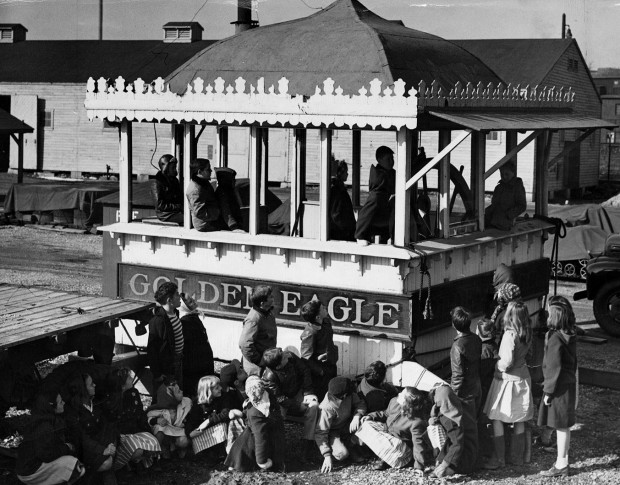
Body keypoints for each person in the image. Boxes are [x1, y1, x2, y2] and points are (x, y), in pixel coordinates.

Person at [483, 301, 534, 469]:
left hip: (507, 380)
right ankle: (517, 458)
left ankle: (498, 459)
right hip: (523, 378)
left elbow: (506, 361)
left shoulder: (509, 334)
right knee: (519, 418)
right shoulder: (526, 332)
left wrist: (497, 368)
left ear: (510, 315)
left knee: (497, 417)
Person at [538, 297, 578, 477]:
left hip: (558, 388)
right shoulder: (570, 334)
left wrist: (547, 391)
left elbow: (553, 368)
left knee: (561, 427)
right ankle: (563, 461)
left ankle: (561, 464)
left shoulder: (555, 338)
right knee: (565, 426)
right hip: (568, 385)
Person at [15, 392, 85, 485]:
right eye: (60, 402)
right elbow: (47, 455)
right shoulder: (44, 426)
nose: (63, 403)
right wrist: (67, 447)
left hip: (28, 467)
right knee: (73, 465)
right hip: (29, 472)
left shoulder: (43, 419)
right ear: (51, 406)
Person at [261, 347, 319, 458]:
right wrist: (298, 405)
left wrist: (308, 392)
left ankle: (307, 444)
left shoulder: (290, 356)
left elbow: (305, 370)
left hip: (298, 392)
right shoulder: (269, 377)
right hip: (280, 400)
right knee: (278, 418)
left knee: (314, 406)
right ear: (278, 366)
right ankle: (278, 450)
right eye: (283, 357)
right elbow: (278, 398)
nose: (286, 355)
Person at [357, 387, 430, 472]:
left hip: (399, 444)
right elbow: (385, 413)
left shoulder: (416, 421)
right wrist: (371, 416)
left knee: (393, 444)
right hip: (386, 432)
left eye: (402, 394)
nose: (399, 394)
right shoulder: (394, 401)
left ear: (407, 402)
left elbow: (418, 445)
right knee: (366, 423)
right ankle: (379, 453)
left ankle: (384, 458)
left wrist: (419, 466)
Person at [103, 368, 161, 472]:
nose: (131, 378)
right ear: (122, 385)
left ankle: (140, 462)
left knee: (154, 442)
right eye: (129, 378)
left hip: (136, 430)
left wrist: (148, 427)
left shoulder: (133, 393)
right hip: (122, 435)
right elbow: (114, 424)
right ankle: (127, 465)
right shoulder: (113, 401)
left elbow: (140, 413)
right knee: (136, 449)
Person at [64, 374, 118, 484]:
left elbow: (107, 426)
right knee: (107, 462)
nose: (94, 385)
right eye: (90, 384)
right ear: (82, 389)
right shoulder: (73, 412)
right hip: (86, 451)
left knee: (109, 456)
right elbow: (82, 439)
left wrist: (109, 445)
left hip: (102, 443)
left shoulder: (95, 403)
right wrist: (102, 449)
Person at [224, 376, 286, 472]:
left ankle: (241, 462)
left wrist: (262, 461)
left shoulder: (255, 413)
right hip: (276, 433)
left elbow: (260, 438)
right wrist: (243, 413)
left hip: (267, 437)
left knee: (246, 439)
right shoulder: (268, 394)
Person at [449, 306, 482, 473]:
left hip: (464, 392)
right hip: (476, 387)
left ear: (454, 325)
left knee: (467, 431)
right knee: (473, 427)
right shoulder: (476, 339)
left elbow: (458, 375)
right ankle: (473, 461)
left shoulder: (457, 346)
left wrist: (453, 395)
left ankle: (468, 466)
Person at [315, 376, 367, 473]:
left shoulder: (349, 394)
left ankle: (350, 445)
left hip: (346, 425)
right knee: (342, 454)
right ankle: (324, 452)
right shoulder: (327, 407)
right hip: (333, 432)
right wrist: (327, 456)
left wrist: (357, 415)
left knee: (366, 423)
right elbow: (321, 432)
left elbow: (360, 404)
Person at [184, 376, 243, 460]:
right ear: (208, 391)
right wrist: (190, 433)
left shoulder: (224, 397)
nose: (220, 388)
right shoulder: (198, 404)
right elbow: (191, 420)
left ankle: (224, 453)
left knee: (222, 426)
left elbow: (225, 413)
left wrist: (208, 421)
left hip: (219, 432)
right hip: (206, 433)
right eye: (216, 388)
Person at [355, 146, 396, 245]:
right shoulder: (378, 182)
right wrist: (360, 235)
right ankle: (360, 235)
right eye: (388, 159)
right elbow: (366, 212)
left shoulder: (390, 174)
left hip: (386, 221)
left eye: (392, 158)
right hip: (378, 221)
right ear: (379, 160)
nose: (391, 162)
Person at [147, 282, 184, 389]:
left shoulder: (174, 313)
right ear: (169, 300)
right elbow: (152, 350)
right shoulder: (158, 321)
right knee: (167, 396)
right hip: (168, 365)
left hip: (178, 360)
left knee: (178, 392)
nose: (179, 297)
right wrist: (157, 374)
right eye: (177, 295)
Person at [299, 299, 338, 401]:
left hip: (330, 366)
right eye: (322, 308)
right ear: (317, 317)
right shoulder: (310, 333)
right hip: (320, 375)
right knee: (322, 400)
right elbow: (306, 358)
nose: (325, 308)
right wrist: (320, 371)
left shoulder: (326, 322)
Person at [146, 377, 191, 460]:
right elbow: (149, 417)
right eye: (178, 391)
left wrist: (186, 423)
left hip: (178, 431)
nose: (182, 392)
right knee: (159, 429)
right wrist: (157, 420)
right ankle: (161, 450)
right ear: (170, 397)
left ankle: (179, 449)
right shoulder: (160, 408)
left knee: (183, 441)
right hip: (166, 432)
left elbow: (191, 414)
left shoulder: (186, 402)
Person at [179, 293, 214, 398]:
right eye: (190, 301)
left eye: (192, 299)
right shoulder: (185, 322)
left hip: (203, 363)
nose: (194, 302)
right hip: (195, 367)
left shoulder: (194, 317)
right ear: (184, 306)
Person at [427, 383, 465, 478]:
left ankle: (446, 469)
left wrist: (444, 464)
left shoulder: (452, 419)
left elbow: (457, 444)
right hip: (447, 452)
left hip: (455, 459)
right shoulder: (447, 411)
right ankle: (440, 465)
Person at [238, 285, 277, 376]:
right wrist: (259, 361)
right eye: (270, 297)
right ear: (262, 303)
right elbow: (244, 344)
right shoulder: (253, 319)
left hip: (267, 362)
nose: (273, 298)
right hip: (256, 369)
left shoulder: (268, 312)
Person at [186, 158, 226, 232]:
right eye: (208, 169)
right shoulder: (195, 189)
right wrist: (218, 212)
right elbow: (200, 212)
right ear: (200, 172)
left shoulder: (203, 183)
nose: (211, 171)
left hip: (211, 220)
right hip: (205, 224)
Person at [484, 161, 527, 231]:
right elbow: (494, 205)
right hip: (493, 223)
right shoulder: (498, 188)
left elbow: (522, 206)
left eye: (507, 174)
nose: (504, 176)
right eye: (502, 174)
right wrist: (486, 212)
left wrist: (508, 215)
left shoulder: (517, 187)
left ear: (513, 173)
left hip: (506, 226)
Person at [152, 154, 184, 225]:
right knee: (188, 219)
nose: (175, 170)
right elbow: (160, 205)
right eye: (173, 168)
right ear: (166, 168)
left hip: (176, 211)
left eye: (175, 167)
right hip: (165, 214)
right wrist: (178, 206)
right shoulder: (157, 183)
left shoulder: (174, 180)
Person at [329, 159, 356, 241]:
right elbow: (336, 215)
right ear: (340, 173)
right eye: (346, 171)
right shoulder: (338, 191)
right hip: (341, 234)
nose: (347, 174)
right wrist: (348, 230)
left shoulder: (338, 189)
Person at [215, 167, 246, 232]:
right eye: (232, 179)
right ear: (226, 181)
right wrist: (234, 228)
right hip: (226, 229)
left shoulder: (229, 192)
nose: (234, 181)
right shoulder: (223, 193)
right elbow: (226, 213)